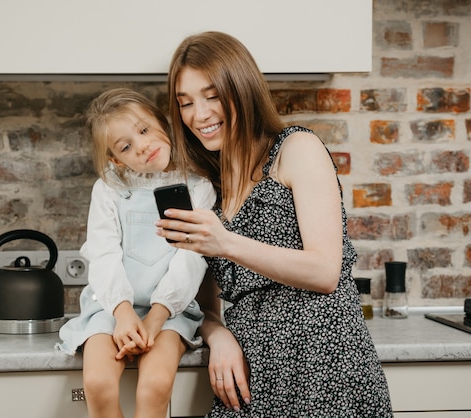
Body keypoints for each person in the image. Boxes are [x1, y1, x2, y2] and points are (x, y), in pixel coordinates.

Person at [154, 31, 393, 416]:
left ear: (242, 88)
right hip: (252, 374)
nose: (199, 115)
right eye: (186, 103)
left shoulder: (296, 150)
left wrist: (225, 242)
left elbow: (325, 271)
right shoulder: (209, 190)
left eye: (212, 96)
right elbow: (206, 304)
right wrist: (219, 337)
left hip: (324, 364)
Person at [56, 88, 216, 418]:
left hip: (171, 311)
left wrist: (156, 316)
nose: (141, 146)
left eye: (143, 130)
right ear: (116, 159)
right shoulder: (109, 189)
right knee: (99, 384)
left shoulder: (199, 187)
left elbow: (191, 261)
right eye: (126, 146)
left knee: (154, 385)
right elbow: (103, 256)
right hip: (111, 308)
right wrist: (123, 313)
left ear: (162, 122)